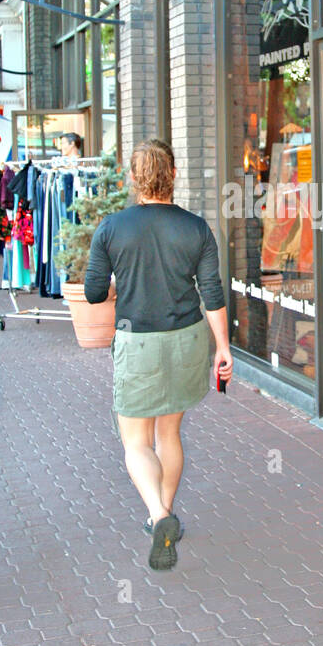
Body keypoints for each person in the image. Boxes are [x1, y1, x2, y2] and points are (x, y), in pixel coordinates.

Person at [84, 139, 232, 572]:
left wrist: (116, 284)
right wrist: (222, 347)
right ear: (173, 176)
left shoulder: (112, 228)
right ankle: (164, 515)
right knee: (169, 435)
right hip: (187, 338)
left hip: (138, 342)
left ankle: (158, 514)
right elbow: (212, 292)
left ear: (133, 178)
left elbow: (94, 292)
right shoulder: (195, 228)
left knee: (136, 442)